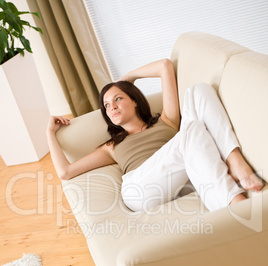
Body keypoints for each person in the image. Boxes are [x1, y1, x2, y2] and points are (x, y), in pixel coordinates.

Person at [46, 59, 263, 212]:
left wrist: (129, 77)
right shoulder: (112, 146)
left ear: (134, 99)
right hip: (140, 189)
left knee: (198, 90)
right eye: (106, 105)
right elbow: (66, 172)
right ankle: (235, 203)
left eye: (118, 99)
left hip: (180, 179)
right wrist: (50, 133)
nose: (111, 107)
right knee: (193, 128)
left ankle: (234, 159)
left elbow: (164, 65)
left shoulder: (166, 120)